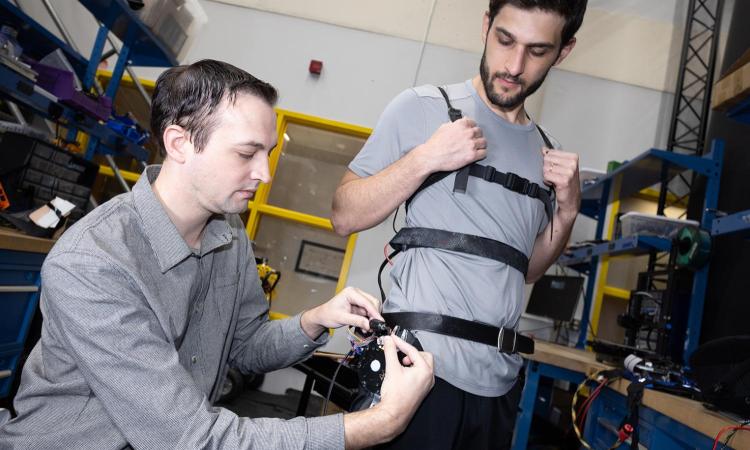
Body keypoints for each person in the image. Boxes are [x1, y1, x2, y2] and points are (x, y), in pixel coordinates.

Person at [0, 60, 434, 450]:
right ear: (179, 143)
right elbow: (190, 439)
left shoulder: (228, 233)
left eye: (268, 153)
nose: (263, 174)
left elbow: (244, 347)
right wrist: (376, 424)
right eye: (247, 153)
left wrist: (314, 320)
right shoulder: (94, 264)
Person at [332, 1, 587, 448]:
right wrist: (425, 158)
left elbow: (527, 269)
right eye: (505, 40)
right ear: (486, 26)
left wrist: (566, 212)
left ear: (563, 53)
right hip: (417, 374)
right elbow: (344, 215)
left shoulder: (547, 152)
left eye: (537, 50)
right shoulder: (424, 108)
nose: (513, 65)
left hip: (499, 388)